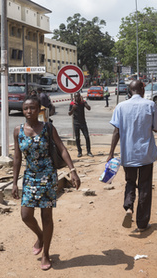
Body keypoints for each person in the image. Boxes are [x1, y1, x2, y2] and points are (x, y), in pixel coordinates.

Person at [11, 94, 80, 271]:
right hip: (30, 177)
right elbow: (17, 158)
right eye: (25, 108)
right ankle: (40, 236)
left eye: (32, 108)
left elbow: (62, 149)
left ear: (39, 110)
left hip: (48, 177)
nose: (28, 111)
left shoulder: (48, 127)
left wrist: (72, 171)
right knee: (26, 215)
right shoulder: (18, 131)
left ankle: (46, 253)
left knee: (46, 217)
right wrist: (14, 183)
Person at [107, 80, 157, 232]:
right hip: (146, 154)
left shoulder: (121, 107)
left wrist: (110, 153)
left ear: (130, 91)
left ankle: (128, 207)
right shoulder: (150, 105)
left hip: (128, 154)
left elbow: (116, 131)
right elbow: (156, 128)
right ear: (142, 89)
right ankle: (142, 224)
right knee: (145, 187)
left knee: (130, 182)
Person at [68, 92, 93, 157]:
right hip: (76, 123)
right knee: (77, 138)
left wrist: (84, 103)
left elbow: (89, 108)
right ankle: (79, 151)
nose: (76, 98)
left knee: (87, 137)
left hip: (83, 123)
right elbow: (69, 113)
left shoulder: (83, 103)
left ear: (80, 97)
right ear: (74, 97)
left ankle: (89, 151)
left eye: (78, 96)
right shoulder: (72, 104)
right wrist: (73, 109)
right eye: (75, 97)